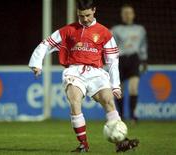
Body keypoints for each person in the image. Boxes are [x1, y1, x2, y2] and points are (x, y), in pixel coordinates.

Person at [29, 0, 138, 153]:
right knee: (74, 100)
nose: (85, 19)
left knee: (108, 101)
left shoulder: (104, 33)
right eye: (81, 16)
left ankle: (120, 142)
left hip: (96, 73)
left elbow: (113, 61)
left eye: (87, 15)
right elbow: (46, 43)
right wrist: (36, 63)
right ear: (77, 13)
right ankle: (83, 145)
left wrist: (115, 85)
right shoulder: (68, 30)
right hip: (74, 71)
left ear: (94, 10)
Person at [111, 4, 148, 122]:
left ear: (133, 14)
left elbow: (143, 46)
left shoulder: (140, 29)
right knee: (119, 90)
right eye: (125, 13)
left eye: (129, 13)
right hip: (120, 60)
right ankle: (120, 116)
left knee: (133, 88)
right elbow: (110, 46)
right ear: (122, 15)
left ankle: (132, 115)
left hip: (134, 59)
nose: (127, 15)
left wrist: (144, 60)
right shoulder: (115, 30)